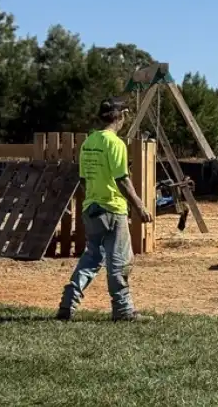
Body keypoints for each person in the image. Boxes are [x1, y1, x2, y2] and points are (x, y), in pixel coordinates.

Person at [56, 98, 155, 323]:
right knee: (119, 261)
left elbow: (83, 179)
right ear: (120, 117)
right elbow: (122, 179)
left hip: (91, 209)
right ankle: (122, 310)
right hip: (113, 209)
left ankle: (68, 302)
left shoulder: (89, 142)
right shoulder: (115, 143)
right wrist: (139, 206)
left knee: (91, 257)